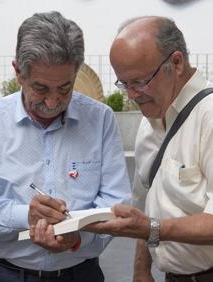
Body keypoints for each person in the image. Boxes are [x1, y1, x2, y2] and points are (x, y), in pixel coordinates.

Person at [0, 11, 130, 282]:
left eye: (65, 88)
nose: (52, 102)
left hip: (80, 273)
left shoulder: (100, 119)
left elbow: (116, 204)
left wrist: (76, 239)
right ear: (18, 73)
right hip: (5, 274)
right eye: (41, 88)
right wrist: (25, 215)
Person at [85, 16, 213, 282]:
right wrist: (141, 268)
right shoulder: (150, 122)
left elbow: (149, 223)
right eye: (124, 84)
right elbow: (146, 204)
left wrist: (152, 229)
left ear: (176, 63)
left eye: (139, 82)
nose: (131, 95)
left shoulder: (208, 117)